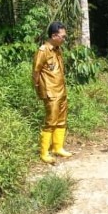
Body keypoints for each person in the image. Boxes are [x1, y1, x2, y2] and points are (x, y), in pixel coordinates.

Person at [32, 21, 72, 164]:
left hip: (61, 91)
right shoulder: (43, 50)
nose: (64, 39)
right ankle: (44, 153)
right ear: (54, 35)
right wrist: (38, 89)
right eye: (63, 36)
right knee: (50, 122)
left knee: (61, 120)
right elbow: (36, 72)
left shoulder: (57, 49)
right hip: (50, 92)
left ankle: (58, 147)